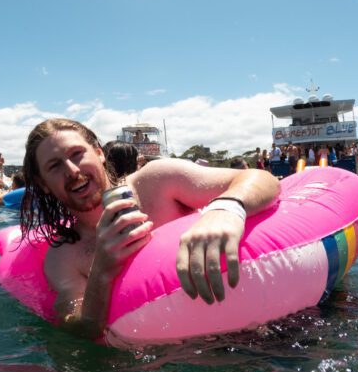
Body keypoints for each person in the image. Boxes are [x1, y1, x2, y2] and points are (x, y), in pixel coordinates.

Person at [19, 118, 280, 339]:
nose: (73, 170)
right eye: (55, 166)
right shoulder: (63, 257)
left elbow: (260, 179)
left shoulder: (157, 182)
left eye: (77, 154)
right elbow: (80, 328)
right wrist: (101, 271)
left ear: (98, 152)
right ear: (43, 184)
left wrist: (226, 209)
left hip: (262, 325)